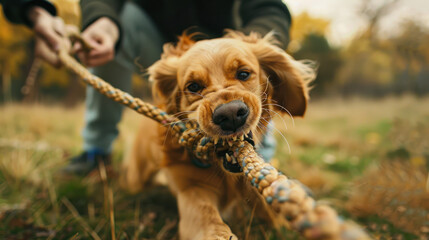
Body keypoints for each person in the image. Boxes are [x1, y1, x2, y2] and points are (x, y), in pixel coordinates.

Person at [1, 0, 291, 175]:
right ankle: (96, 152)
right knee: (113, 26)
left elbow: (269, 7)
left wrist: (250, 52)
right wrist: (102, 21)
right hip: (159, 44)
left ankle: (260, 159)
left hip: (231, 43)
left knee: (253, 67)